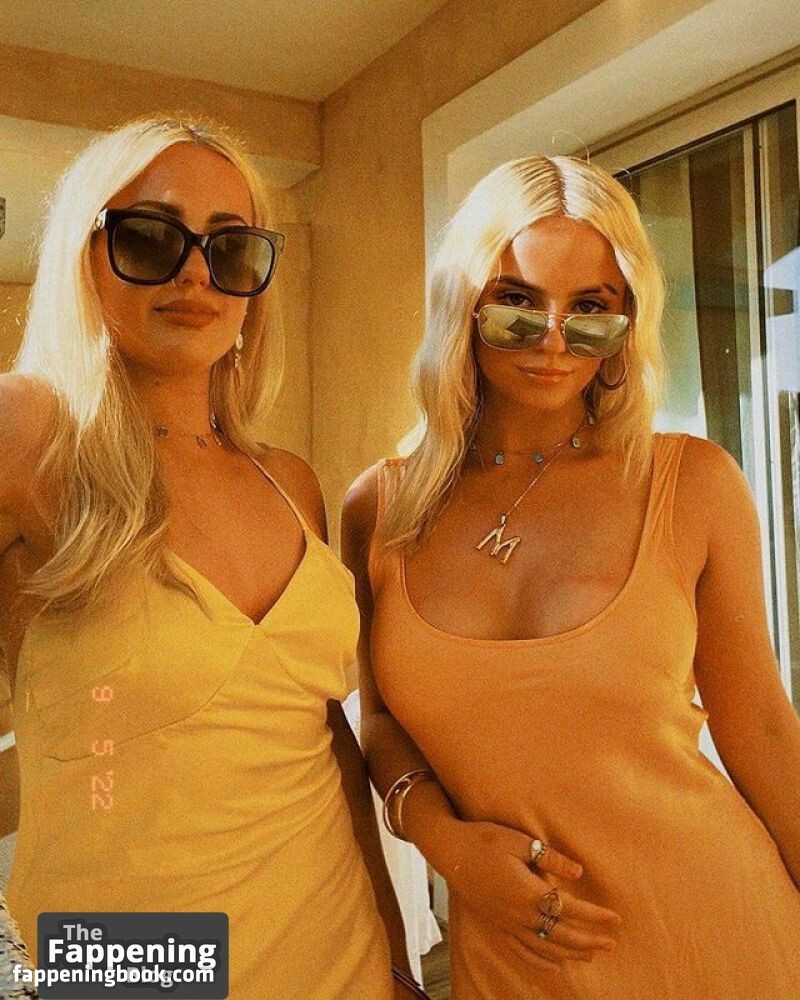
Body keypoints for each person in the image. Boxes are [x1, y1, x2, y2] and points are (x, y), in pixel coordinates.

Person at [342, 153, 800, 998]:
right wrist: (447, 845)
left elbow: (765, 732)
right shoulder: (381, 508)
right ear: (463, 305)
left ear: (627, 320)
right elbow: (378, 724)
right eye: (518, 303)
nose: (554, 340)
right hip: (514, 960)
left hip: (724, 937)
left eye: (590, 310)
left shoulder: (691, 484)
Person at [0, 116, 427, 999]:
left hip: (337, 949)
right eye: (150, 237)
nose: (195, 271)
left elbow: (322, 739)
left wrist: (392, 951)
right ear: (86, 254)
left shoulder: (288, 481)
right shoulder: (29, 435)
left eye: (230, 248)